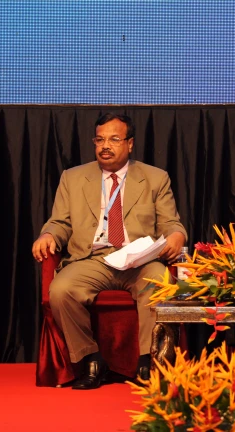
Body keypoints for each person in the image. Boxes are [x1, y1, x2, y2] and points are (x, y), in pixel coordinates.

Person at [32, 113, 187, 389]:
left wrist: (176, 235)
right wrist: (48, 234)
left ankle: (147, 361)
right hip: (93, 259)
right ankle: (91, 358)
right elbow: (60, 222)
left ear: (130, 144)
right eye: (100, 139)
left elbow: (171, 222)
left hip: (138, 260)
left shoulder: (155, 178)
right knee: (61, 289)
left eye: (114, 139)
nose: (106, 145)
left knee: (160, 282)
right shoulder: (73, 177)